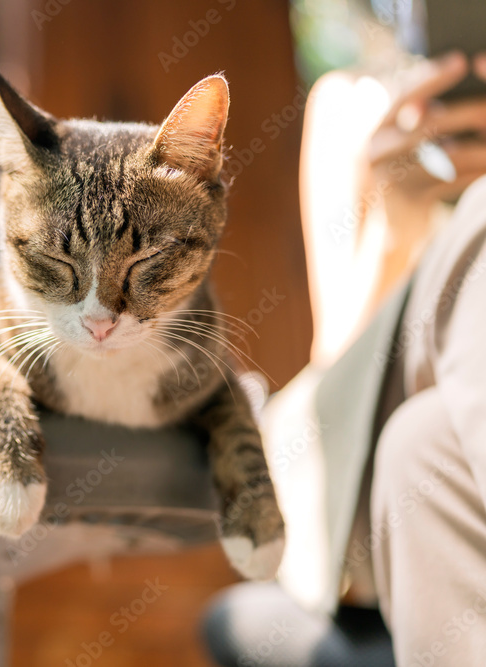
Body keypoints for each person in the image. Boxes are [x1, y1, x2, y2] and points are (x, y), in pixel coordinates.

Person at [204, 49, 486, 667]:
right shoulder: (355, 108)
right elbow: (339, 389)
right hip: (362, 507)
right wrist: (398, 221)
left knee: (423, 442)